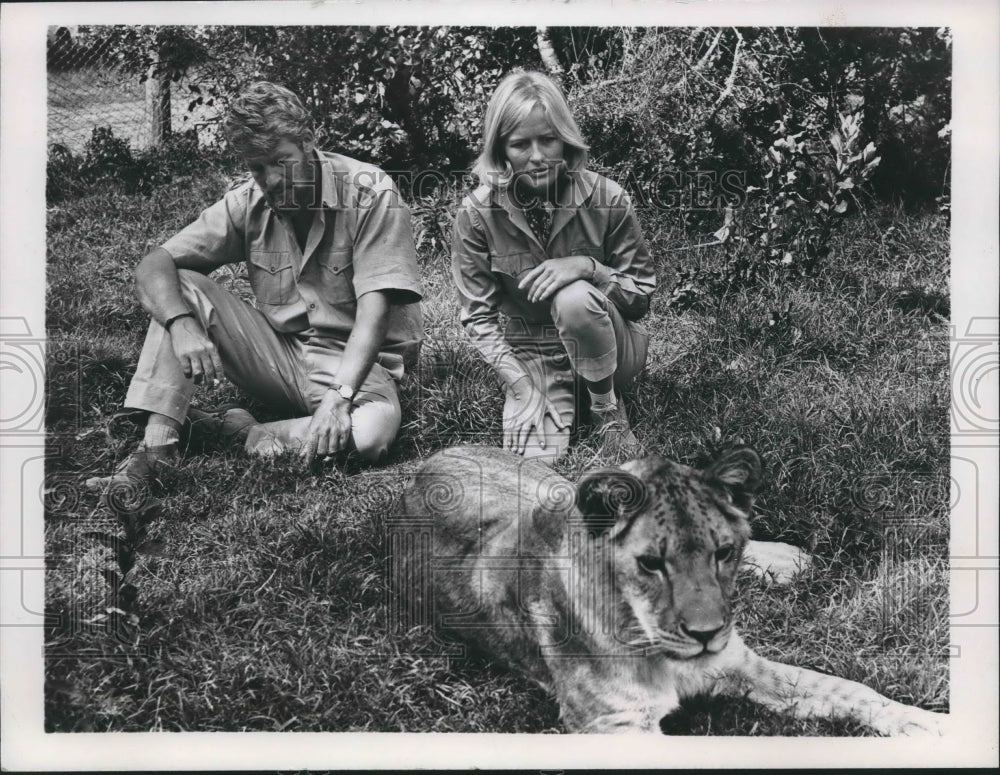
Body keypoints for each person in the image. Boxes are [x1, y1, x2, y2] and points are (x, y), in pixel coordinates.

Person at [86, 81, 422, 492]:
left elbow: (373, 315)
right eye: (257, 167)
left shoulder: (372, 193)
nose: (271, 180)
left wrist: (340, 396)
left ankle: (240, 432)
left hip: (356, 365)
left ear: (309, 142)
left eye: (282, 162)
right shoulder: (248, 201)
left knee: (371, 434)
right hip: (279, 356)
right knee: (183, 284)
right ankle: (157, 451)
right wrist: (181, 325)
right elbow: (154, 264)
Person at [451, 70, 655, 464]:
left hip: (615, 347)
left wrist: (589, 267)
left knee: (575, 297)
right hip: (535, 353)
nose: (538, 156)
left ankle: (607, 410)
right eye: (520, 144)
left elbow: (640, 298)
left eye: (548, 139)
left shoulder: (608, 197)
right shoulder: (476, 214)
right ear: (500, 149)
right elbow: (478, 318)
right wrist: (520, 384)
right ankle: (552, 397)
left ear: (565, 137)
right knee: (534, 461)